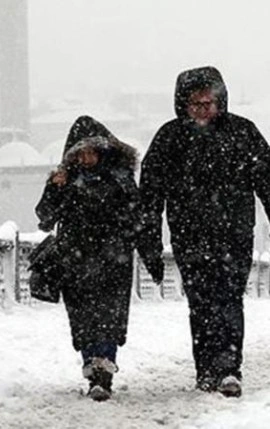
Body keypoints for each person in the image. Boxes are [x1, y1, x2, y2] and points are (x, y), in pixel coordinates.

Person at [139, 66, 270, 397]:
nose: (203, 110)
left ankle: (228, 368)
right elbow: (150, 196)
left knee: (228, 299)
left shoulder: (242, 133)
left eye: (208, 103)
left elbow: (267, 181)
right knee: (201, 303)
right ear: (183, 104)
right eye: (196, 104)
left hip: (235, 235)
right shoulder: (169, 138)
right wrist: (150, 243)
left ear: (220, 102)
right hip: (189, 236)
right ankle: (207, 369)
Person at [36, 116, 140, 401]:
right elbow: (45, 218)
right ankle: (92, 368)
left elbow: (136, 218)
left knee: (108, 317)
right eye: (80, 153)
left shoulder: (120, 179)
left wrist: (123, 241)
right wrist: (54, 188)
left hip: (112, 261)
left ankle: (102, 373)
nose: (87, 158)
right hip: (76, 261)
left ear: (104, 150)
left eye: (92, 151)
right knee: (83, 319)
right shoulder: (66, 180)